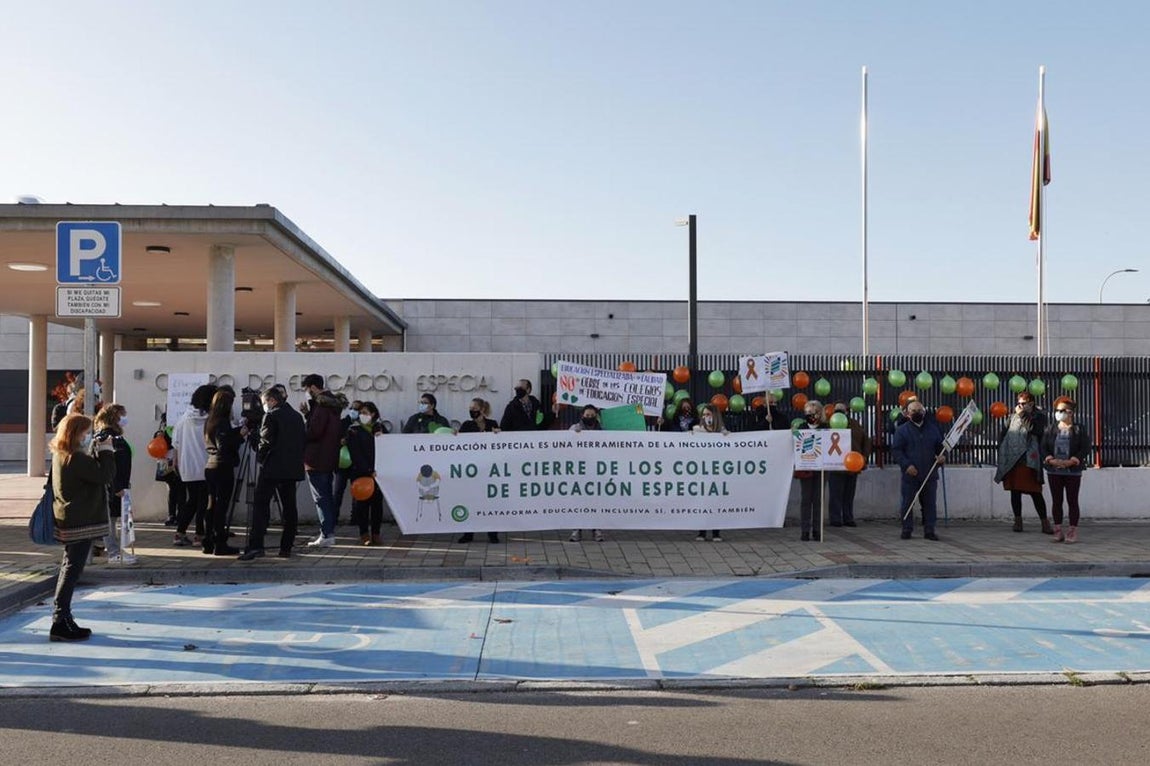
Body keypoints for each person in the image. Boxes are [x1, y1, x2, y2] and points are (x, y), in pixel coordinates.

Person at [48, 413, 116, 641]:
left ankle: (63, 618)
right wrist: (106, 450)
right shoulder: (75, 458)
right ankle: (60, 620)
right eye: (85, 433)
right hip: (79, 520)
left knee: (70, 566)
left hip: (69, 517)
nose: (87, 437)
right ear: (75, 433)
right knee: (72, 570)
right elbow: (105, 475)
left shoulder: (61, 454)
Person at [239, 386, 304, 561]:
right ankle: (286, 547)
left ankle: (256, 545)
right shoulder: (297, 417)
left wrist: (260, 455)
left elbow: (265, 442)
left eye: (264, 402)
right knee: (290, 508)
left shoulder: (271, 416)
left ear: (272, 401)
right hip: (291, 469)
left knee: (260, 506)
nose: (263, 406)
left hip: (272, 469)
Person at [994, 391, 1053, 534]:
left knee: (1035, 492)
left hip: (1030, 460)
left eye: (1023, 404)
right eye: (1018, 403)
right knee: (1015, 491)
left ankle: (1045, 522)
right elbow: (1004, 433)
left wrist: (1022, 415)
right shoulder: (1012, 417)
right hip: (1014, 460)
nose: (1020, 406)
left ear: (1031, 404)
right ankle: (1018, 521)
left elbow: (1035, 430)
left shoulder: (1039, 417)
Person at [300, 373, 347, 548]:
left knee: (321, 497)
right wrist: (308, 414)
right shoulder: (333, 405)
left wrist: (305, 425)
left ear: (312, 387)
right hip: (329, 457)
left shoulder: (321, 405)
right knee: (326, 495)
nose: (306, 393)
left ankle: (327, 534)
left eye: (306, 389)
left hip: (316, 458)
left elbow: (314, 432)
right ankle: (328, 531)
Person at [891, 400, 945, 541]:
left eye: (919, 411)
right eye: (913, 411)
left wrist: (942, 457)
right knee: (907, 502)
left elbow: (941, 448)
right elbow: (897, 451)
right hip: (911, 474)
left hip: (929, 473)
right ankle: (907, 529)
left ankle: (929, 530)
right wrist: (906, 465)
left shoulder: (933, 429)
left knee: (929, 504)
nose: (917, 413)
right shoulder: (902, 431)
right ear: (908, 414)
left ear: (924, 412)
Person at [170, 383, 217, 547]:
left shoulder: (183, 419)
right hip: (206, 465)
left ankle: (179, 533)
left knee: (191, 501)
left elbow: (175, 443)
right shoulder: (211, 420)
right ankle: (199, 535)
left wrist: (176, 462)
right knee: (204, 501)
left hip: (187, 467)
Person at [1042, 397, 1092, 544]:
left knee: (1072, 500)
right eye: (1057, 410)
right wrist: (1051, 459)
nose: (1059, 413)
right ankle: (1058, 531)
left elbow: (1085, 448)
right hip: (1054, 471)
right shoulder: (1050, 429)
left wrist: (1072, 461)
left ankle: (1072, 531)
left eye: (1063, 410)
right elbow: (1043, 447)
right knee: (1056, 501)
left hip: (1073, 471)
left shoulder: (1079, 429)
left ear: (1071, 413)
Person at [91, 404, 134, 564]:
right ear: (115, 417)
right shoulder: (108, 437)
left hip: (114, 485)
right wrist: (118, 486)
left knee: (111, 519)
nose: (125, 418)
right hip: (111, 486)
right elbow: (111, 464)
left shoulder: (111, 436)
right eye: (123, 415)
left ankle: (106, 548)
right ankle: (113, 553)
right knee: (109, 520)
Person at [456, 398, 502, 544]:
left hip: (489, 469)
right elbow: (459, 443)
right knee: (471, 500)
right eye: (470, 408)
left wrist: (499, 434)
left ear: (482, 409)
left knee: (491, 502)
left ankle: (493, 533)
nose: (471, 411)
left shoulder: (492, 424)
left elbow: (502, 443)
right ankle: (468, 533)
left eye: (474, 408)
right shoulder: (467, 425)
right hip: (472, 469)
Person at [203, 388, 242, 556]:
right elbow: (224, 445)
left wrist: (236, 433)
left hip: (210, 465)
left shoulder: (210, 420)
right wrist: (240, 436)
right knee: (221, 507)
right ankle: (220, 543)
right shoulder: (222, 422)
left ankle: (208, 541)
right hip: (222, 467)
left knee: (212, 506)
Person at [346, 402, 386, 546]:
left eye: (365, 412)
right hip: (360, 473)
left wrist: (382, 438)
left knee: (377, 505)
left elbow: (389, 449)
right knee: (362, 505)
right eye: (361, 412)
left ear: (373, 414)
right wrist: (368, 470)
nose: (362, 415)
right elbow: (355, 453)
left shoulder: (380, 428)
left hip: (378, 474)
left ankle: (376, 533)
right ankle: (364, 534)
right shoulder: (353, 430)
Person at [828, 402, 871, 528]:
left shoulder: (855, 424)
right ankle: (835, 518)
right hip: (836, 465)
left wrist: (864, 458)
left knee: (849, 494)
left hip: (853, 465)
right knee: (836, 494)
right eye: (837, 410)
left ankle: (848, 517)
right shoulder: (830, 424)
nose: (840, 413)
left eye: (842, 410)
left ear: (848, 411)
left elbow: (866, 441)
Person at [692, 404, 729, 541]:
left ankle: (716, 532)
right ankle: (701, 532)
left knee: (716, 502)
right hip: (702, 472)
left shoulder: (721, 431)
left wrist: (726, 436)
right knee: (702, 502)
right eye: (704, 414)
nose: (706, 417)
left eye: (708, 414)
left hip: (716, 472)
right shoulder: (697, 430)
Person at [568, 405, 605, 543]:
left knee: (596, 501)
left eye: (592, 415)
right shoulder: (574, 428)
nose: (589, 418)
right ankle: (577, 530)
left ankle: (596, 530)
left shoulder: (603, 431)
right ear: (582, 415)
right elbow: (565, 445)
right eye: (587, 415)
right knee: (579, 500)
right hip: (580, 470)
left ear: (596, 416)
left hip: (596, 470)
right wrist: (573, 435)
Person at [795, 399, 827, 542]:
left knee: (818, 499)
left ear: (820, 414)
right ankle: (805, 530)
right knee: (806, 499)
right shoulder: (801, 428)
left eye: (814, 412)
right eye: (808, 412)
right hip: (806, 468)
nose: (811, 415)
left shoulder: (826, 428)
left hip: (821, 468)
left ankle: (817, 530)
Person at [333, 400, 363, 525]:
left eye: (357, 409)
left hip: (357, 463)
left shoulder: (363, 424)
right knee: (338, 491)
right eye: (352, 408)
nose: (354, 411)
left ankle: (355, 518)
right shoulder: (343, 423)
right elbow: (333, 438)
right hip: (342, 463)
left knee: (356, 492)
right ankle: (333, 518)